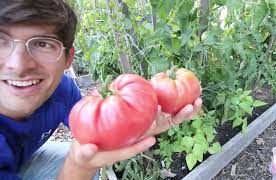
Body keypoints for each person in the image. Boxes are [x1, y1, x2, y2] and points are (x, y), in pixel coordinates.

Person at [0, 0, 202, 179]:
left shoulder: (61, 90)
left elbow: (94, 134)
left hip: (22, 160)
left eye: (43, 43)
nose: (18, 65)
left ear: (67, 59)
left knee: (79, 159)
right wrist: (78, 169)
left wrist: (138, 118)